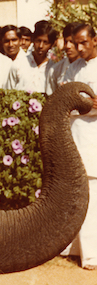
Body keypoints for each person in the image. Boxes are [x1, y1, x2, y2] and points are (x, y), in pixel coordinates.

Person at [61, 23, 97, 270]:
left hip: (92, 137)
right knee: (75, 193)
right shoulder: (72, 67)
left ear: (95, 40)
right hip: (74, 134)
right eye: (77, 42)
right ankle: (73, 249)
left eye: (84, 42)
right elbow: (64, 99)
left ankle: (92, 255)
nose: (80, 47)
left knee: (92, 197)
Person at [6, 20, 57, 94]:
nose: (40, 46)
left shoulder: (53, 69)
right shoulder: (18, 64)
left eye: (45, 42)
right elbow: (8, 93)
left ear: (51, 45)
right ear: (33, 40)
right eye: (38, 41)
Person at [46, 22, 80, 95]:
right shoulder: (55, 70)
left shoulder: (92, 67)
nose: (68, 46)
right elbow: (51, 100)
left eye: (72, 42)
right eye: (66, 42)